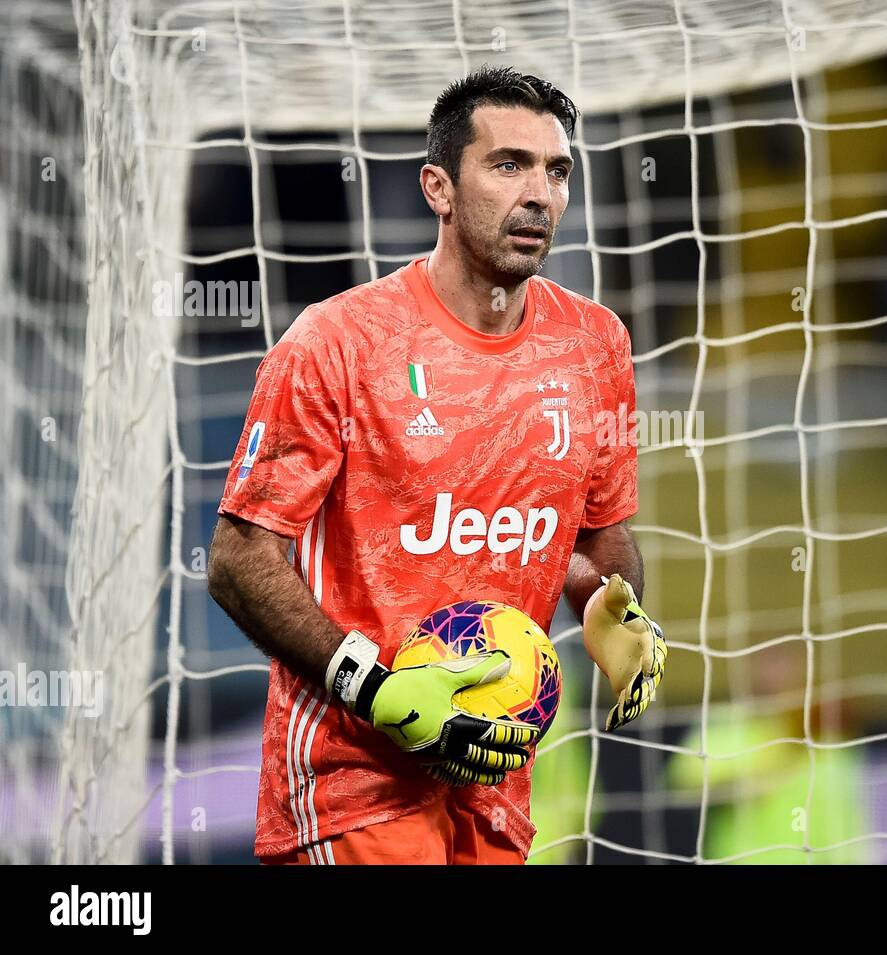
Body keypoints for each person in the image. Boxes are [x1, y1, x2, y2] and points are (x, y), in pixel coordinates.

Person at [207, 65, 667, 865]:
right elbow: (239, 559)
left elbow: (600, 539)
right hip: (350, 784)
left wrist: (612, 608)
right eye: (508, 164)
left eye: (557, 171)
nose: (540, 193)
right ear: (439, 188)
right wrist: (373, 687)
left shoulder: (596, 346)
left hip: (494, 781)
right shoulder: (338, 344)